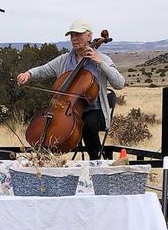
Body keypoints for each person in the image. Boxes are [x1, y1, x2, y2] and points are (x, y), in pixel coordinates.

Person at [17, 19, 125, 159]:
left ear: (89, 36)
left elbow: (119, 83)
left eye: (78, 35)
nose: (74, 39)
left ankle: (96, 161)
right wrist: (29, 74)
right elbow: (44, 69)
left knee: (88, 125)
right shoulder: (64, 60)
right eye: (72, 35)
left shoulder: (103, 59)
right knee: (48, 126)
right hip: (68, 111)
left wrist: (100, 62)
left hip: (96, 111)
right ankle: (46, 162)